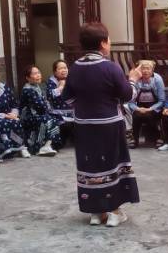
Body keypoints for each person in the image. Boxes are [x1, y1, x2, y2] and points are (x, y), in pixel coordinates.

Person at [60, 22, 141, 227]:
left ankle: (96, 212)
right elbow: (127, 95)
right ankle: (114, 211)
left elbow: (67, 98)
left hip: (84, 125)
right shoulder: (110, 67)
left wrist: (86, 105)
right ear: (103, 43)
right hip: (109, 124)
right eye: (109, 39)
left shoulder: (75, 68)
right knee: (112, 164)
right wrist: (133, 79)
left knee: (91, 165)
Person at [19, 65, 60, 157]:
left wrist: (46, 105)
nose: (38, 75)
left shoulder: (37, 87)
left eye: (38, 73)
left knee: (52, 119)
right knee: (47, 119)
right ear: (28, 78)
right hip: (27, 117)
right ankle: (40, 146)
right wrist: (46, 105)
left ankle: (47, 145)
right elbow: (41, 106)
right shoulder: (28, 90)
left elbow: (44, 105)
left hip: (37, 115)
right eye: (34, 74)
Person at [127, 59, 165, 148]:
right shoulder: (136, 79)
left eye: (148, 68)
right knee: (136, 116)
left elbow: (162, 100)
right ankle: (134, 139)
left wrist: (150, 109)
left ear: (152, 70)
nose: (145, 71)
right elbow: (130, 101)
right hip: (139, 106)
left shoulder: (157, 79)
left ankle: (157, 138)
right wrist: (137, 108)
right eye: (143, 68)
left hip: (155, 106)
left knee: (149, 116)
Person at [46, 59, 74, 147]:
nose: (64, 70)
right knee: (65, 126)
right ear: (55, 71)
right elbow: (49, 95)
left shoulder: (71, 79)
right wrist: (61, 87)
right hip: (57, 113)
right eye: (60, 68)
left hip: (72, 112)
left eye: (65, 68)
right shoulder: (51, 82)